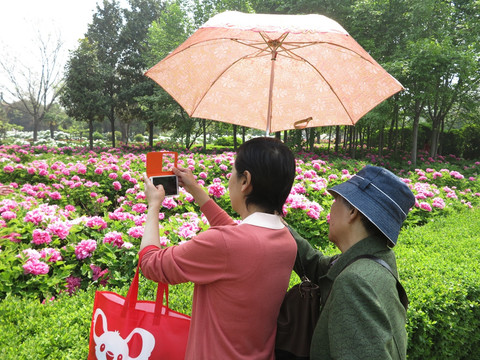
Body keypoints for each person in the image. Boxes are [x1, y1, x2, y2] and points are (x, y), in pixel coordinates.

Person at [139, 137, 297, 360]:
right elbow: (236, 236)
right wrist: (195, 189)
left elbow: (151, 264)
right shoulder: (286, 240)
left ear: (245, 181)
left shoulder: (224, 243)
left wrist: (153, 207)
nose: (229, 179)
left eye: (232, 172)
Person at [289, 165, 415, 360]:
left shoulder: (355, 282)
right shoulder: (373, 261)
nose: (331, 207)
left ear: (352, 211)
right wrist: (275, 222)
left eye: (336, 200)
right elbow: (317, 266)